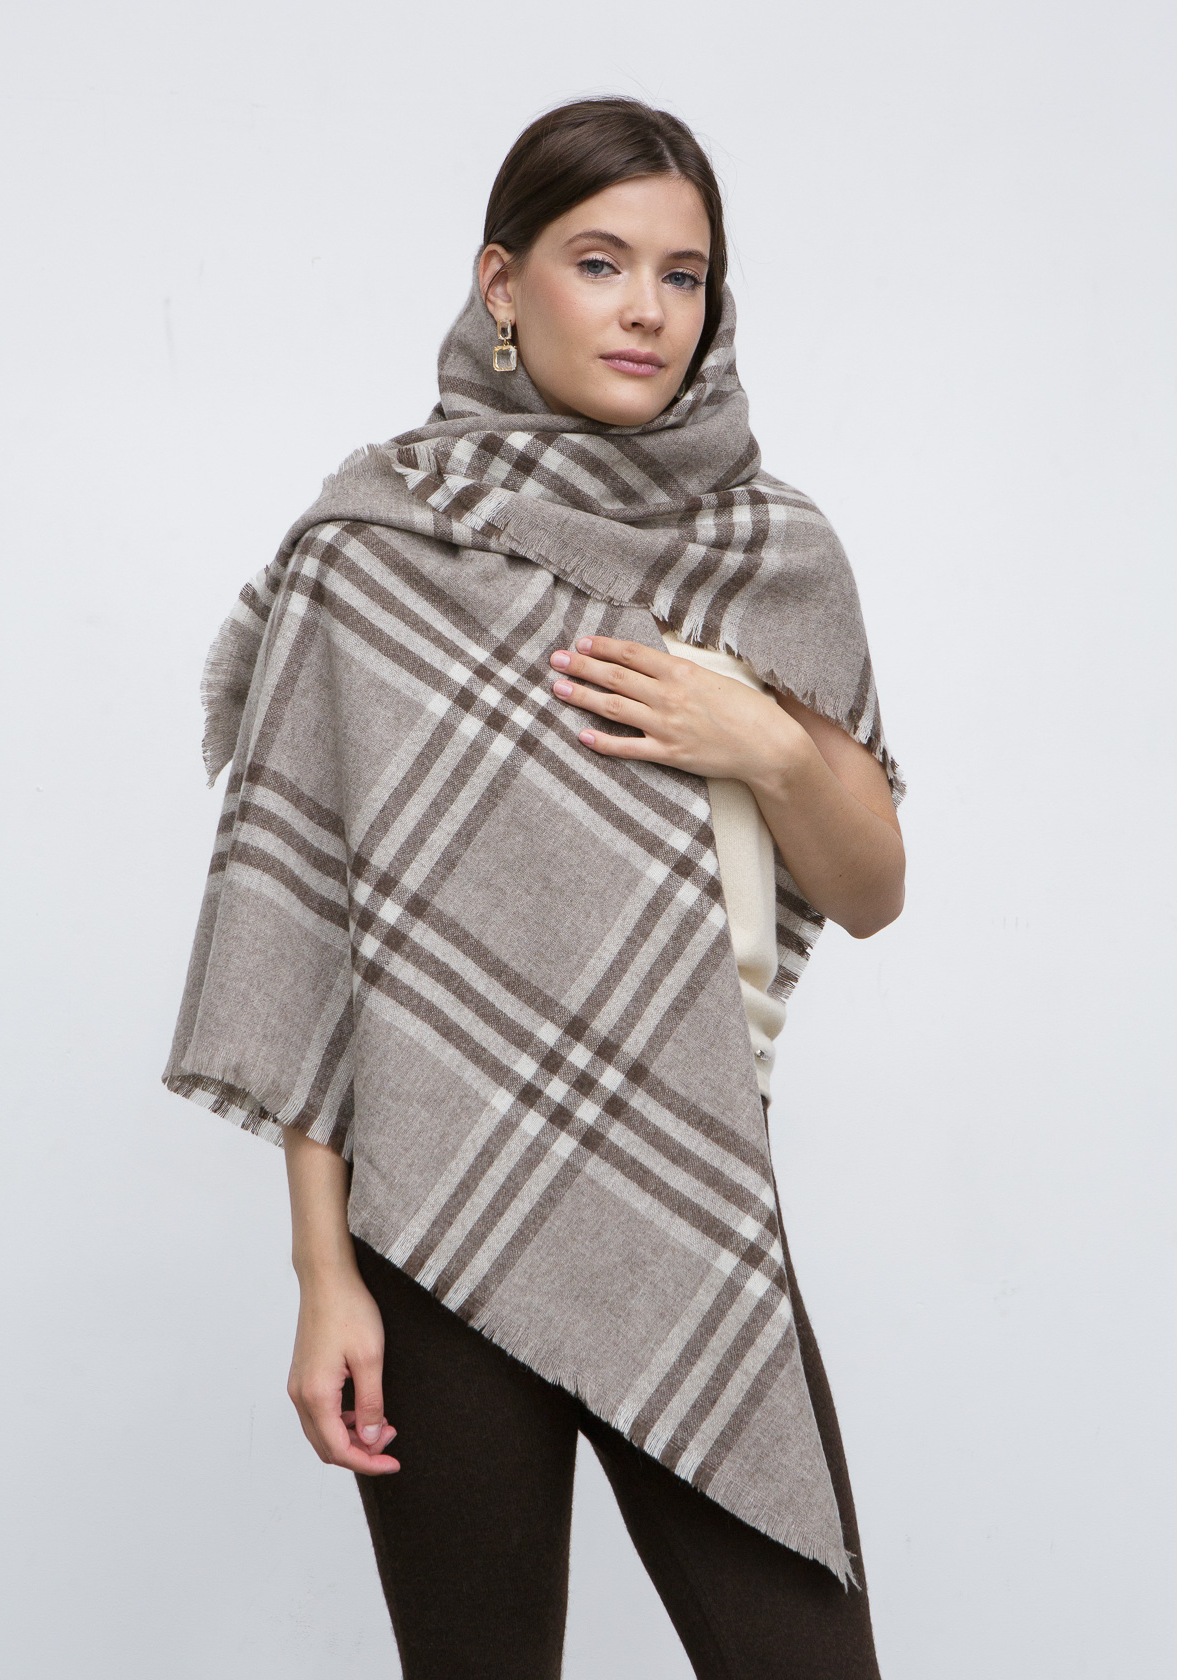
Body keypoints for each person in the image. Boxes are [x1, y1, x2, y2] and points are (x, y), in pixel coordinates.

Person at [166, 97, 904, 1680]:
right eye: (600, 261)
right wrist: (322, 1278)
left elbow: (873, 886)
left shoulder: (770, 550)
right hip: (432, 1223)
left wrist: (765, 743)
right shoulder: (368, 547)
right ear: (502, 284)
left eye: (685, 275)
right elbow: (312, 939)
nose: (648, 309)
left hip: (690, 1193)